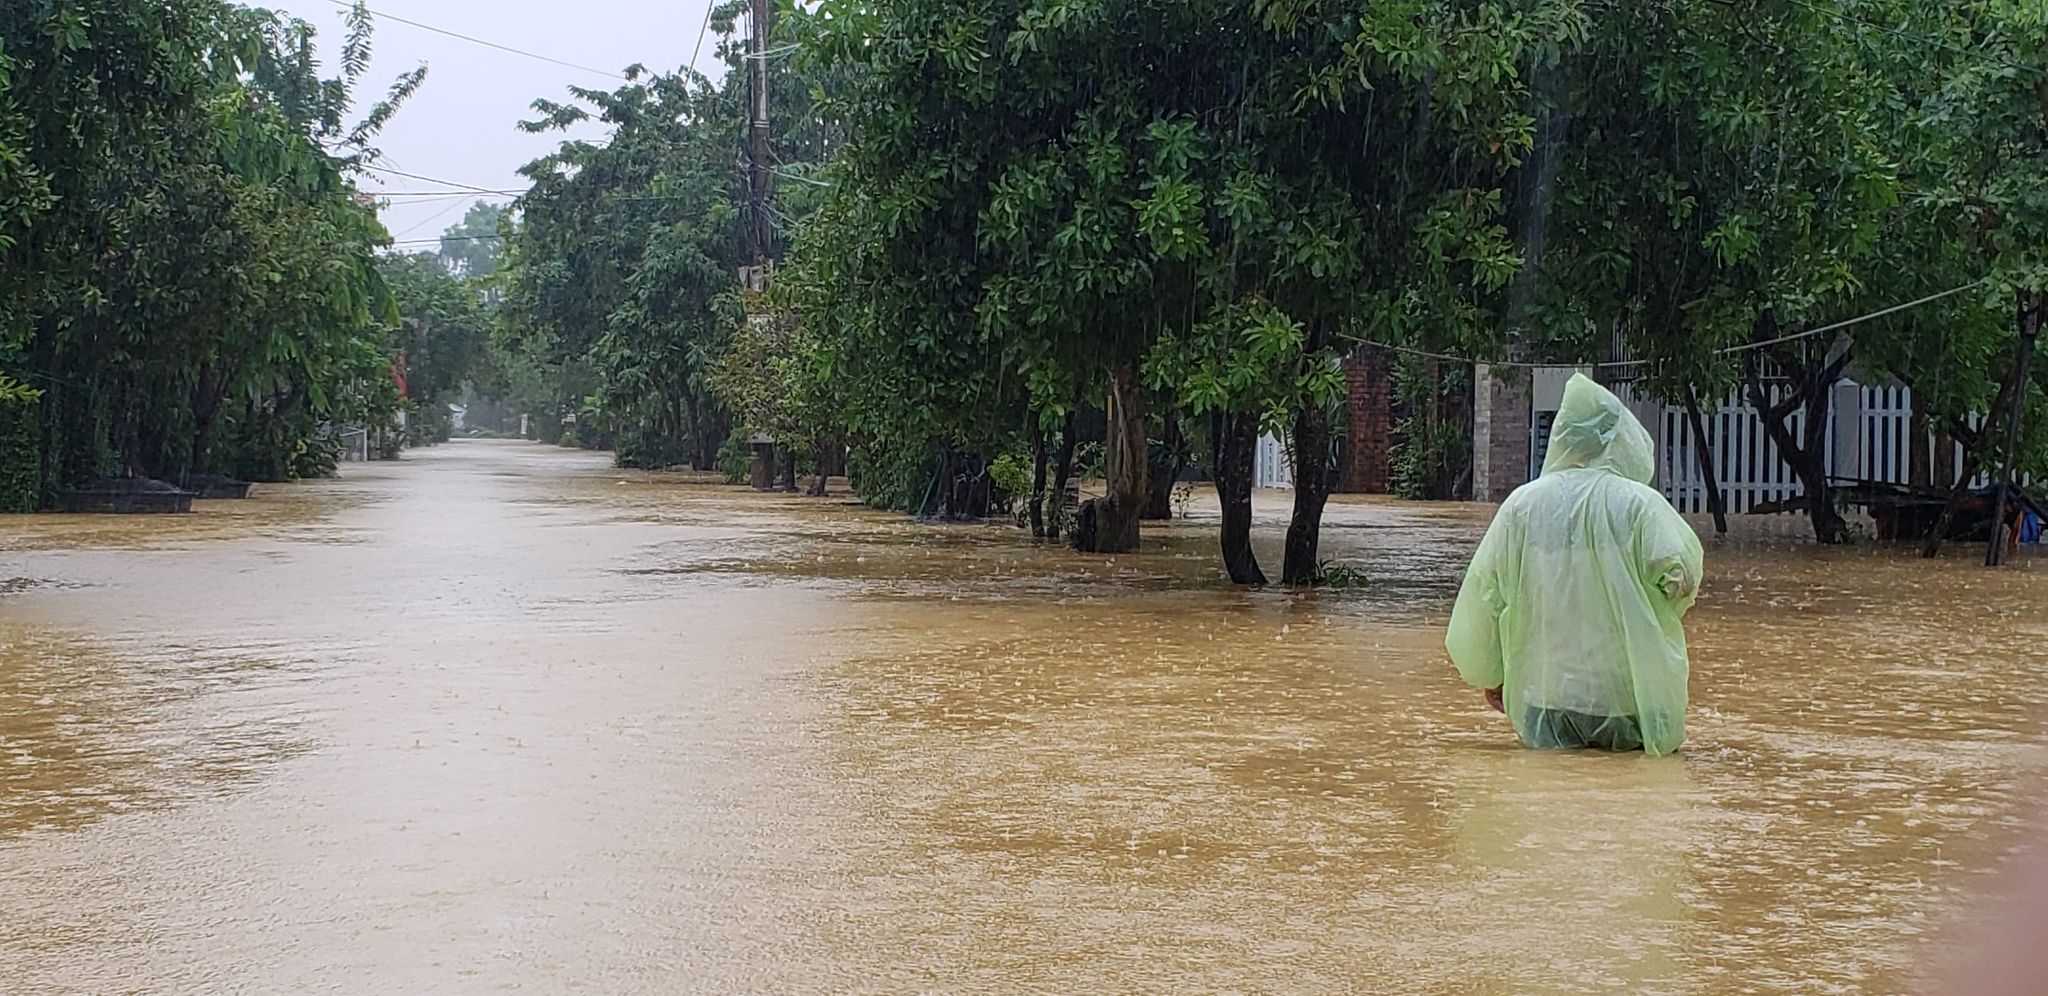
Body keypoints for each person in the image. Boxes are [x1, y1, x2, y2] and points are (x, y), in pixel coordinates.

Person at [1445, 373, 1704, 756]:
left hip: (1544, 699)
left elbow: (1487, 594)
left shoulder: (1521, 506)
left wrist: (1493, 674)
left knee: (1544, 802)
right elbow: (1681, 578)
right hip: (1630, 700)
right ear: (1619, 439)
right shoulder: (1641, 506)